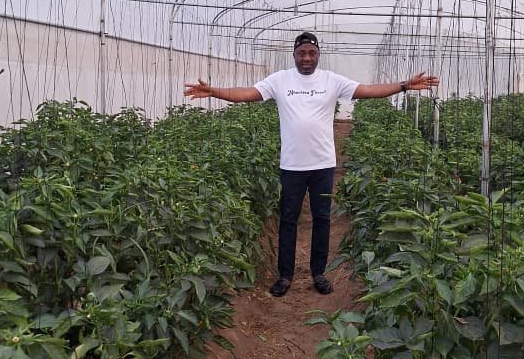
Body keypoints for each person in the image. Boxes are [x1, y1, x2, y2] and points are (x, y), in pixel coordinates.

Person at [184, 32, 438, 297]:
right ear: (294, 55)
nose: (306, 58)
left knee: (322, 220)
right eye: (302, 53)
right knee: (288, 220)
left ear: (318, 55)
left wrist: (404, 86)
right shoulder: (280, 80)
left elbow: (368, 90)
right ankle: (285, 275)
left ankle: (319, 273)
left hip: (323, 165)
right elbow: (248, 93)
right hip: (292, 166)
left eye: (311, 53)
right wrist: (216, 92)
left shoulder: (332, 80)